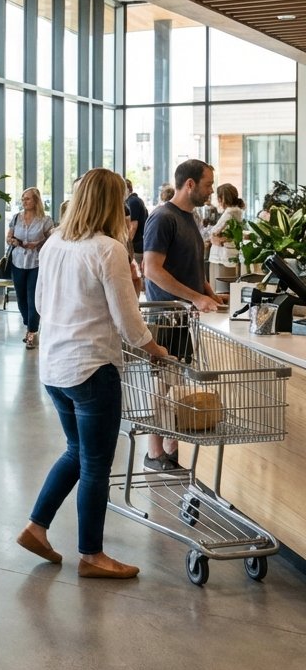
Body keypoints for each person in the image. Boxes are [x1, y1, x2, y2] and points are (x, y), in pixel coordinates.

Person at [16, 168, 169, 580]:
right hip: (92, 370)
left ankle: (36, 527)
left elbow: (43, 305)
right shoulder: (109, 250)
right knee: (97, 462)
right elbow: (129, 322)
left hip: (54, 368)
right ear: (111, 203)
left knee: (76, 452)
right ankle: (92, 555)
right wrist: (156, 350)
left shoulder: (54, 244)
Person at [141, 159, 225, 471]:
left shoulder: (191, 217)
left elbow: (189, 267)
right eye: (207, 184)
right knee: (163, 386)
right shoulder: (163, 218)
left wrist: (206, 291)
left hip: (184, 315)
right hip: (165, 315)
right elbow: (152, 270)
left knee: (174, 384)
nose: (211, 190)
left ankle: (170, 446)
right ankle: (155, 453)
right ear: (189, 184)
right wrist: (195, 297)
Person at [6, 187, 53, 349]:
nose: (24, 201)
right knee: (21, 298)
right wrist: (15, 242)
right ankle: (29, 323)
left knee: (33, 297)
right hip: (18, 261)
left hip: (37, 262)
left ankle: (32, 332)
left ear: (36, 201)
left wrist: (38, 244)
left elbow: (51, 240)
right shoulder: (16, 218)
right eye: (23, 198)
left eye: (27, 199)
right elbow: (8, 238)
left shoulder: (45, 220)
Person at [208, 183, 245, 293]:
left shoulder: (229, 213)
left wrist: (213, 237)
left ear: (221, 199)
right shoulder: (237, 212)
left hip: (223, 257)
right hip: (231, 254)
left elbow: (214, 232)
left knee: (220, 290)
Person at [125, 179, 148, 267]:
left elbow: (133, 226)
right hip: (138, 245)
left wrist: (127, 245)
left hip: (136, 247)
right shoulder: (136, 200)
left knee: (136, 274)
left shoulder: (132, 201)